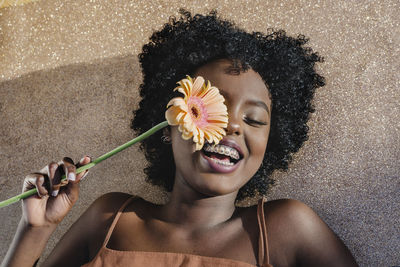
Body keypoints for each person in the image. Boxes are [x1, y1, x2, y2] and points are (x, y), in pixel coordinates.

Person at [1, 10, 358, 267]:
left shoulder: (287, 229)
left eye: (254, 119)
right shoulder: (110, 219)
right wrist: (36, 227)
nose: (231, 126)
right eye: (208, 108)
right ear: (170, 123)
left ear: (273, 142)